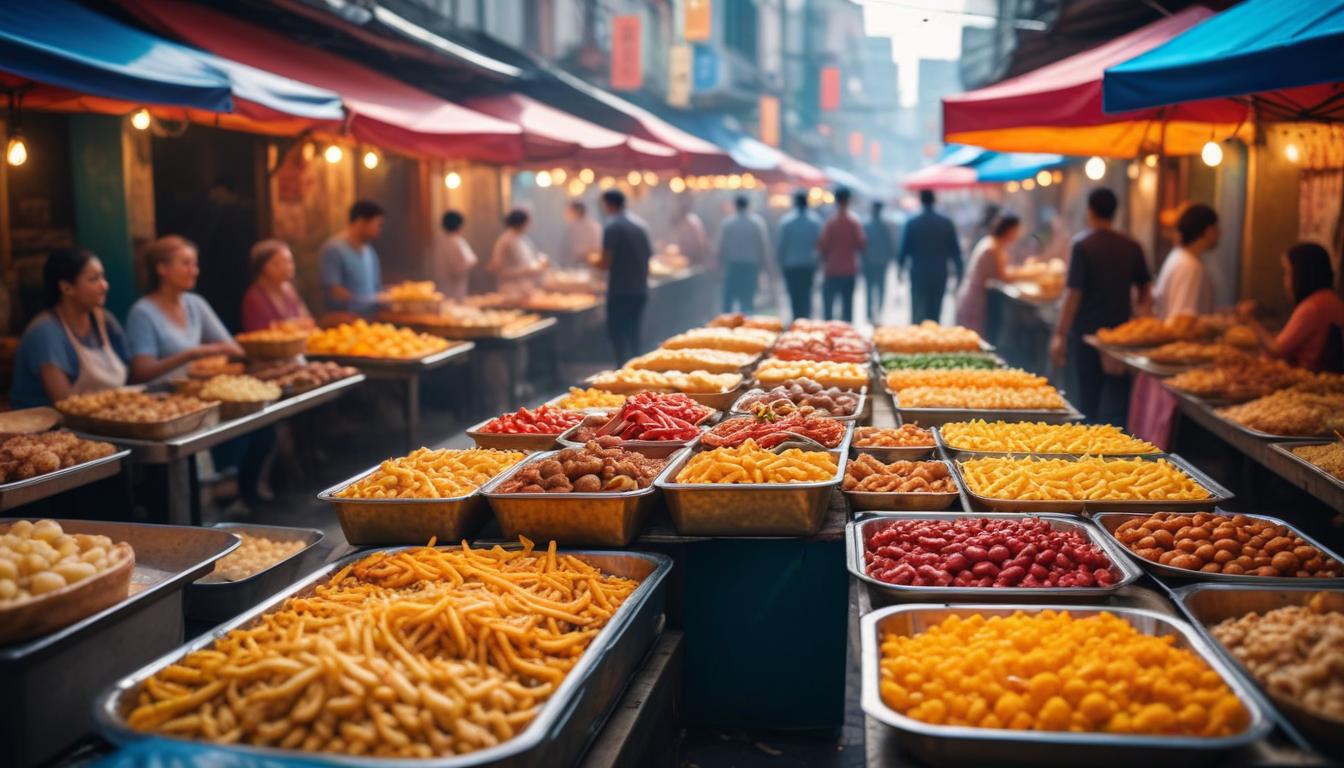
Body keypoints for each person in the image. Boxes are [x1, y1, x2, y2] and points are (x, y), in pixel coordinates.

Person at [1050, 188, 1152, 425]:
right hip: (1119, 338)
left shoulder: (1082, 245)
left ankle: (1088, 448)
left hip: (1086, 335)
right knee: (1118, 402)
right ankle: (1117, 450)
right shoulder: (1131, 245)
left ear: (1090, 211)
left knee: (1087, 400)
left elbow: (1073, 294)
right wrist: (1138, 315)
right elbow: (1146, 287)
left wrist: (1059, 334)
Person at [1129, 204, 1219, 448]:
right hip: (1178, 367)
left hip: (1166, 364)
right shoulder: (1190, 265)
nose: (1219, 234)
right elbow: (1182, 321)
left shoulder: (1178, 257)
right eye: (1217, 228)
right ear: (1208, 230)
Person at [10, 248, 129, 408]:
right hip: (55, 427)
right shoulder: (45, 332)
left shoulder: (105, 321)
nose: (104, 286)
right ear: (67, 288)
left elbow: (132, 374)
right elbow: (66, 405)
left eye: (103, 277)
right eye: (94, 279)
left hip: (107, 420)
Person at [126, 235, 242, 383]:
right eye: (186, 264)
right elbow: (141, 371)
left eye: (195, 265)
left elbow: (230, 347)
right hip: (160, 397)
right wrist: (191, 354)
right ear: (162, 269)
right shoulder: (143, 313)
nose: (194, 271)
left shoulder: (195, 304)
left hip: (195, 390)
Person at [1237, 242, 1344, 372]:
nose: (1285, 280)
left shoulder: (1312, 307)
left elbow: (1277, 350)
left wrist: (1250, 320)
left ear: (1301, 274)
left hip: (1308, 379)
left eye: (1287, 272)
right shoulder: (1331, 299)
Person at [596, 189, 653, 365]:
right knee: (634, 333)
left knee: (618, 334)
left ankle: (621, 372)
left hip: (620, 290)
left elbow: (605, 262)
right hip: (639, 289)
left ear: (608, 204)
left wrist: (588, 260)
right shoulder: (641, 225)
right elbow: (649, 255)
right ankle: (637, 371)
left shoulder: (612, 226)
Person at [898, 189, 963, 324]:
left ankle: (917, 341)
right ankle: (933, 341)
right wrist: (960, 274)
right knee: (935, 313)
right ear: (934, 200)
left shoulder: (912, 222)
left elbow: (904, 250)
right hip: (939, 274)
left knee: (917, 313)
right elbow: (956, 252)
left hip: (918, 274)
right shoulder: (946, 223)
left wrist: (900, 270)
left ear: (920, 201)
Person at [955, 213, 1022, 335]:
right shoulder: (991, 247)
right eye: (1016, 230)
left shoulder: (993, 244)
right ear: (1009, 230)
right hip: (974, 300)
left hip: (975, 297)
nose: (1018, 235)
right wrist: (1031, 272)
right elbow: (1004, 276)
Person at [320, 200, 384, 315]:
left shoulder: (370, 251)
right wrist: (360, 300)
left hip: (370, 318)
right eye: (376, 225)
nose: (378, 230)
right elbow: (334, 291)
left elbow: (377, 288)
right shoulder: (334, 249)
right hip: (344, 321)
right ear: (361, 222)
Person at [240, 239, 313, 332]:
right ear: (264, 267)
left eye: (289, 261)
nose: (288, 267)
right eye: (278, 263)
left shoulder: (289, 290)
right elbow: (260, 334)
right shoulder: (254, 298)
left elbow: (307, 320)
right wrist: (291, 326)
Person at [817, 187, 866, 322]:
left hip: (831, 270)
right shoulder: (854, 222)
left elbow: (822, 246)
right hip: (849, 270)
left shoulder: (830, 223)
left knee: (828, 310)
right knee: (848, 309)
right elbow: (862, 245)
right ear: (849, 201)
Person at [717, 195, 770, 313]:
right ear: (748, 206)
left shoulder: (727, 223)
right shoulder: (756, 223)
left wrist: (718, 266)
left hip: (733, 265)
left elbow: (721, 247)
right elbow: (762, 246)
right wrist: (766, 268)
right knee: (747, 298)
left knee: (729, 299)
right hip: (750, 265)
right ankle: (745, 324)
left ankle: (727, 324)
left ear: (735, 206)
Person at [776, 190, 822, 321]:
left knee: (794, 295)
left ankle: (796, 320)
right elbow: (819, 245)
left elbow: (782, 246)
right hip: (808, 265)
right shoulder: (815, 221)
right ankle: (806, 321)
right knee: (806, 295)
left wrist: (780, 263)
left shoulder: (786, 221)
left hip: (791, 265)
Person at [489, 208, 548, 298]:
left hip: (526, 287)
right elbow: (499, 269)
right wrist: (528, 270)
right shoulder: (505, 240)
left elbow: (531, 261)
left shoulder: (523, 239)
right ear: (521, 223)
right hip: (511, 290)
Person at [427, 210, 478, 301]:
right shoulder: (457, 241)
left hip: (441, 284)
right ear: (459, 225)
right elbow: (469, 261)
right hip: (455, 285)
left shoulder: (438, 240)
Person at [862, 200, 897, 324]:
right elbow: (890, 245)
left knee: (870, 289)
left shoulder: (866, 225)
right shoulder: (884, 226)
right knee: (880, 289)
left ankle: (871, 314)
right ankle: (877, 312)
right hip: (880, 262)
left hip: (870, 262)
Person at [563, 201, 602, 269]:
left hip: (589, 264)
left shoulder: (592, 227)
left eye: (569, 212)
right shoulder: (572, 227)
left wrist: (588, 256)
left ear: (577, 212)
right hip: (574, 263)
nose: (566, 215)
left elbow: (597, 247)